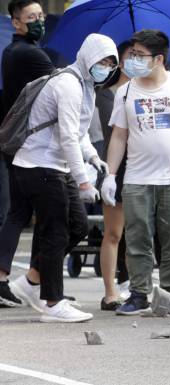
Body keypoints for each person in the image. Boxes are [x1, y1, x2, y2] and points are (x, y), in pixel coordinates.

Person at [8, 33, 118, 322]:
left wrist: (93, 157)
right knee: (55, 232)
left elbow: (76, 133)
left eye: (110, 63)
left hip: (55, 166)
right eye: (101, 61)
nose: (105, 67)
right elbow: (67, 136)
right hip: (40, 165)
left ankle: (31, 280)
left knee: (78, 226)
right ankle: (53, 303)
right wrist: (84, 181)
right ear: (87, 57)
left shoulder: (86, 85)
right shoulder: (69, 84)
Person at [102, 29, 170, 315]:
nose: (132, 60)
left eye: (139, 55)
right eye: (131, 54)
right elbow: (119, 137)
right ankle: (139, 293)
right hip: (136, 177)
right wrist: (110, 175)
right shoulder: (125, 91)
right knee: (137, 239)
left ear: (159, 58)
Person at [0, 0, 54, 307]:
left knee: (19, 212)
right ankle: (32, 282)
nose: (38, 21)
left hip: (18, 143)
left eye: (41, 16)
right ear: (17, 23)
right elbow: (61, 85)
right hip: (30, 146)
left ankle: (15, 280)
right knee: (40, 213)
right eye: (31, 18)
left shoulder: (12, 50)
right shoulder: (30, 53)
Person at [96, 40, 133, 310]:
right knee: (113, 233)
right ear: (120, 61)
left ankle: (135, 287)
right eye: (132, 56)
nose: (136, 61)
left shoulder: (152, 92)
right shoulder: (106, 94)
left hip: (144, 169)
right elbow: (109, 136)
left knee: (140, 234)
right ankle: (110, 291)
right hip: (115, 169)